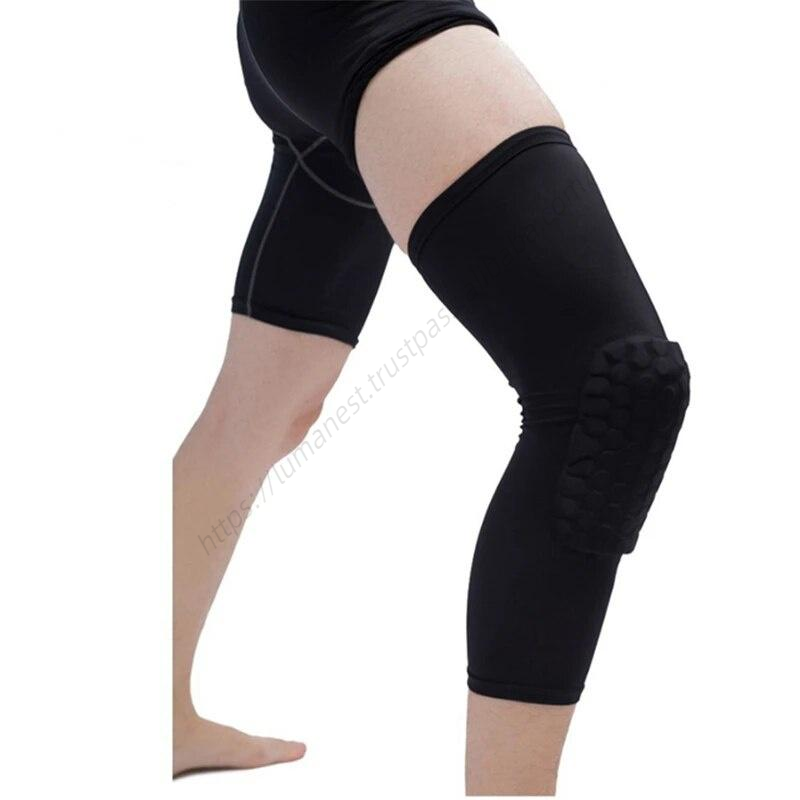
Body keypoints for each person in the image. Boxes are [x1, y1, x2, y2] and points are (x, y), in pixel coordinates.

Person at [173, 2, 690, 793]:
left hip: (307, 33)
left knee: (267, 409)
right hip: (362, 16)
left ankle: (143, 708)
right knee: (613, 387)